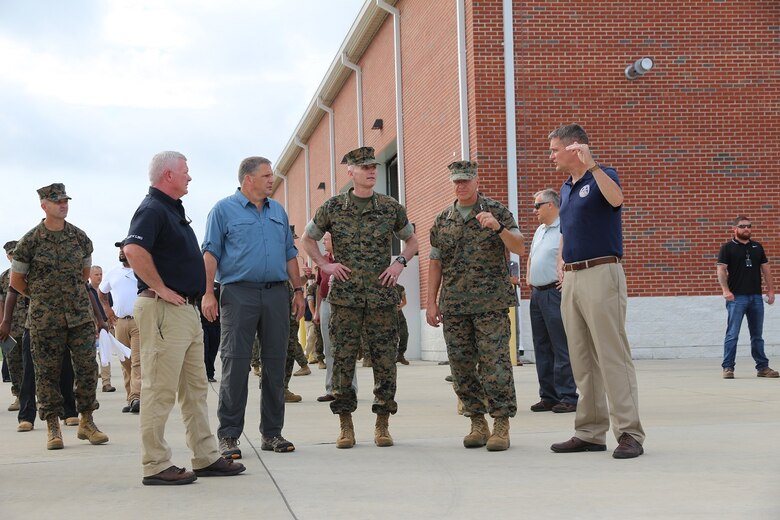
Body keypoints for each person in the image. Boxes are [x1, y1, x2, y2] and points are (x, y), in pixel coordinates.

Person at [124, 151, 245, 485]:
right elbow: (133, 250)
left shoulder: (171, 210)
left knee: (195, 389)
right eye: (185, 172)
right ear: (168, 175)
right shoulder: (151, 209)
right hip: (164, 310)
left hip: (186, 311)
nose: (189, 177)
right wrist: (160, 288)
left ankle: (205, 457)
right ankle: (156, 464)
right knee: (160, 390)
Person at [302, 146, 419, 449]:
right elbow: (307, 239)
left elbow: (412, 241)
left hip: (381, 297)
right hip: (345, 298)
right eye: (365, 167)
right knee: (341, 361)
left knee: (384, 361)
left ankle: (382, 423)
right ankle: (345, 425)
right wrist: (325, 264)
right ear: (350, 172)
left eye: (374, 167)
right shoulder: (333, 207)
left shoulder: (390, 207)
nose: (371, 171)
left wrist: (399, 263)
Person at [546, 124, 645, 459]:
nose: (551, 155)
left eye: (555, 149)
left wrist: (592, 166)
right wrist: (561, 259)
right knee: (582, 359)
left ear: (576, 147)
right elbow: (567, 227)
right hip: (572, 278)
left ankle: (630, 432)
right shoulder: (566, 187)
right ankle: (589, 431)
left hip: (602, 272)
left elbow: (617, 199)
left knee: (611, 355)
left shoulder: (603, 175)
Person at [201, 156, 303, 458]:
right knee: (235, 363)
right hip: (238, 293)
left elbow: (289, 253)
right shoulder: (223, 210)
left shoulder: (278, 212)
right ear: (248, 179)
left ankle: (273, 433)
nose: (272, 180)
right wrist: (208, 293)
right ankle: (229, 436)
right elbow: (210, 254)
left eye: (272, 175)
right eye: (266, 175)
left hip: (276, 295)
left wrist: (298, 291)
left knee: (275, 362)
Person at [426, 160, 524, 451]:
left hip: (491, 304)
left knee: (495, 365)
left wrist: (498, 229)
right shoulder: (443, 220)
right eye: (456, 181)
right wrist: (431, 302)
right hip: (455, 305)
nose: (461, 185)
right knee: (462, 367)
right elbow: (435, 262)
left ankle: (501, 424)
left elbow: (519, 245)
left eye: (466, 180)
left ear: (476, 180)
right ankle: (477, 422)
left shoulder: (497, 211)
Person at [10, 183, 109, 450]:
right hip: (45, 320)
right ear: (44, 205)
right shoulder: (29, 242)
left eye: (65, 200)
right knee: (46, 374)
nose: (63, 205)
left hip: (79, 317)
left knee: (88, 369)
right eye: (57, 201)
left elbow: (84, 275)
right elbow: (17, 281)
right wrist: (42, 297)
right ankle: (53, 425)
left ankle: (87, 421)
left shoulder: (79, 238)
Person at [527, 189, 578, 413]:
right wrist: (529, 278)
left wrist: (568, 280)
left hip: (554, 293)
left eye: (538, 206)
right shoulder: (540, 230)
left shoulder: (565, 228)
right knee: (542, 347)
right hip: (537, 295)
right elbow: (531, 256)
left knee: (561, 345)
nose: (534, 210)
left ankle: (567, 396)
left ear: (551, 205)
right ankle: (548, 395)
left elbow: (574, 255)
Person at [716, 216, 777, 379]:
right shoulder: (727, 248)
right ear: (734, 229)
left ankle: (763, 368)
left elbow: (766, 269)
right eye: (742, 226)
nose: (746, 229)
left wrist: (771, 291)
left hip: (756, 298)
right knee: (732, 334)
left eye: (749, 226)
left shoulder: (757, 247)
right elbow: (721, 270)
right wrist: (725, 290)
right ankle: (728, 367)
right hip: (736, 298)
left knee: (757, 335)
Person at [99, 242, 143, 412]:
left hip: (139, 321)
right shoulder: (113, 273)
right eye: (119, 249)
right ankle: (131, 398)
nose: (121, 252)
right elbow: (102, 293)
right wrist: (108, 311)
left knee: (137, 361)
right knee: (125, 361)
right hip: (120, 322)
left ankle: (136, 398)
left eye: (124, 248)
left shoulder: (142, 270)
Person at [1, 240, 25, 411]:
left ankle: (39, 396)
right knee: (14, 363)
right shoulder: (4, 278)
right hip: (12, 328)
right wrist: (2, 323)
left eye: (16, 253)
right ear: (8, 257)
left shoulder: (31, 274)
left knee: (36, 364)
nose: (13, 256)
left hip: (33, 325)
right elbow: (1, 302)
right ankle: (19, 396)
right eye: (11, 254)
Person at [88, 266, 116, 394]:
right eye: (96, 275)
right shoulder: (86, 290)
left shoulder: (105, 291)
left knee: (105, 355)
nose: (99, 277)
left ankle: (106, 383)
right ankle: (90, 385)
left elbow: (108, 306)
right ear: (90, 276)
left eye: (100, 274)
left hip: (104, 325)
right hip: (89, 326)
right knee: (89, 357)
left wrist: (110, 322)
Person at [197, 282, 220, 383]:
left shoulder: (218, 287)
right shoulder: (198, 285)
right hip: (202, 324)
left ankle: (210, 373)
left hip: (216, 324)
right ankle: (204, 373)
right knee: (204, 350)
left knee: (213, 350)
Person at [395, 283, 410, 365]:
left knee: (404, 334)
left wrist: (400, 306)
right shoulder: (383, 286)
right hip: (386, 315)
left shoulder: (400, 288)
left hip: (399, 315)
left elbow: (404, 301)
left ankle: (400, 355)